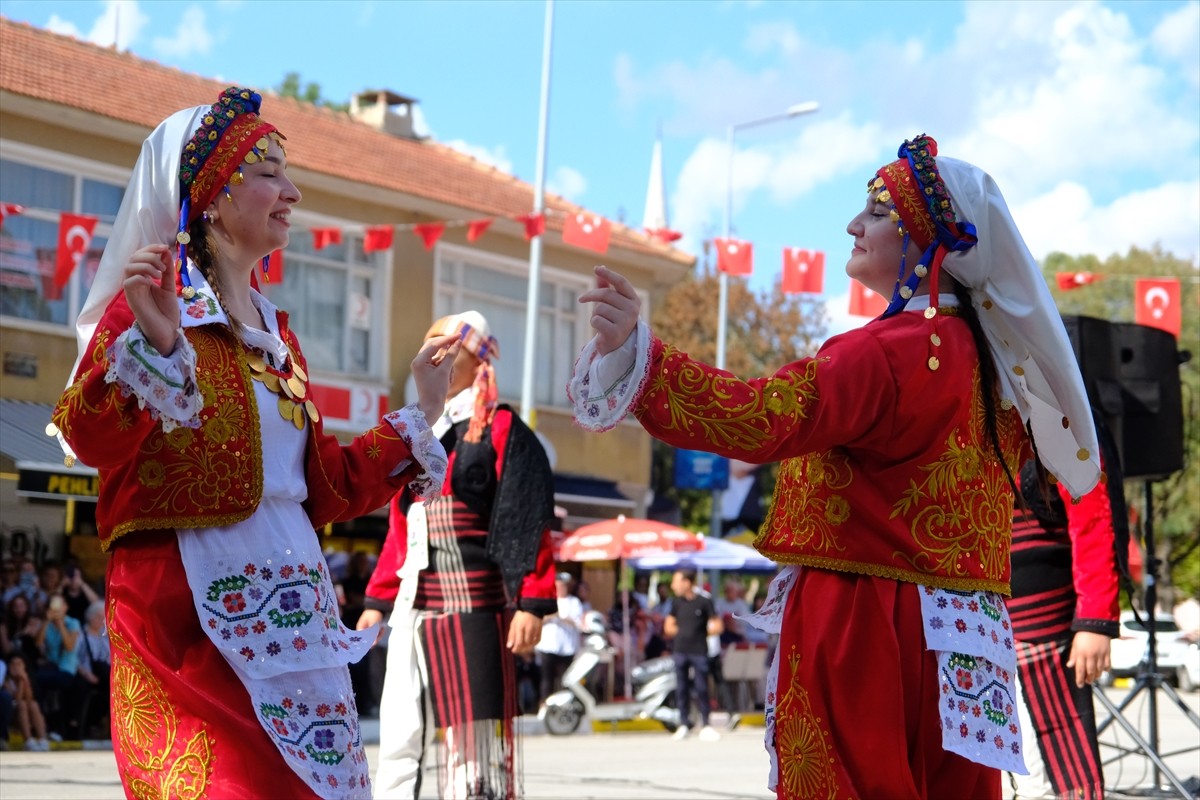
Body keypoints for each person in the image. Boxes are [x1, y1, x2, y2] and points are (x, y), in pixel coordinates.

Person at [568, 135, 1101, 798]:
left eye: (877, 212)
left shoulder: (883, 352)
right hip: (968, 630)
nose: (853, 225)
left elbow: (760, 418)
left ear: (926, 241)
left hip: (866, 619)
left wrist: (638, 359)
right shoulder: (991, 373)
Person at [50, 86, 458, 798]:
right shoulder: (150, 304)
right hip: (186, 623)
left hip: (293, 616)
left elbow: (322, 489)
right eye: (267, 171)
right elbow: (89, 441)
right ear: (209, 197)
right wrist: (155, 343)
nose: (291, 191)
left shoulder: (279, 339)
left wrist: (418, 411)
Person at [358, 310, 558, 800]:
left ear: (479, 359)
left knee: (472, 738)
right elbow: (400, 529)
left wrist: (532, 603)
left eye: (452, 345)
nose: (439, 351)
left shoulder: (506, 429)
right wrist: (377, 601)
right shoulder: (417, 431)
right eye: (432, 341)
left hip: (476, 603)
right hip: (413, 600)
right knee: (401, 727)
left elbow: (528, 517)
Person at [1007, 438, 1123, 800]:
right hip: (982, 626)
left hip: (1046, 633)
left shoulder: (1061, 423)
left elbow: (1093, 524)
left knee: (1051, 779)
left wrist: (1094, 621)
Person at [665, 568, 723, 742]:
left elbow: (717, 625)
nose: (673, 586)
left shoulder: (704, 601)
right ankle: (684, 723)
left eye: (676, 581)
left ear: (687, 582)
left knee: (702, 687)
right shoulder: (676, 603)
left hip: (699, 650)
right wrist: (682, 632)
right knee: (681, 688)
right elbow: (668, 626)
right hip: (680, 650)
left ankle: (706, 724)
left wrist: (703, 632)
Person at [34, 594, 83, 740]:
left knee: (42, 681)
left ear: (65, 607)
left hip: (66, 669)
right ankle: (44, 724)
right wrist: (46, 622)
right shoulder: (46, 624)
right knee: (37, 682)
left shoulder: (73, 623)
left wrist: (61, 623)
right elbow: (38, 643)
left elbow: (69, 646)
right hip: (51, 668)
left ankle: (52, 727)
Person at [536, 572, 585, 702]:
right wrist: (552, 616)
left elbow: (578, 623)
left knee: (566, 679)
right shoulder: (548, 600)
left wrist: (561, 618)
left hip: (567, 647)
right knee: (547, 679)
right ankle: (545, 704)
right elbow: (538, 619)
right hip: (548, 646)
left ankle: (564, 705)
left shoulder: (574, 602)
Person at [76, 599, 112, 740]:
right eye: (99, 617)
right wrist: (87, 674)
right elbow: (75, 660)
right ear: (90, 618)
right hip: (86, 674)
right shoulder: (81, 635)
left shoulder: (104, 636)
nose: (102, 620)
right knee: (82, 688)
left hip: (104, 675)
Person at [3, 653, 48, 751]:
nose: (15, 667)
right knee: (22, 705)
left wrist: (24, 680)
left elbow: (29, 698)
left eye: (19, 664)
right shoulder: (6, 680)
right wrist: (20, 682)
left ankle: (43, 740)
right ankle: (28, 741)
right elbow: (17, 700)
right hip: (12, 714)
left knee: (34, 705)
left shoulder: (27, 678)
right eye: (13, 664)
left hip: (26, 714)